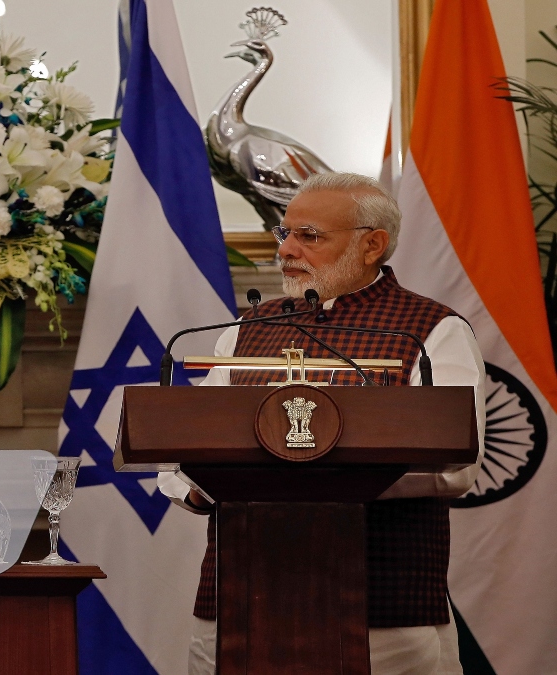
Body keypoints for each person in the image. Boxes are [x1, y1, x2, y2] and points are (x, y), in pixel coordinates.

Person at [158, 172, 486, 675]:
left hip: (384, 610)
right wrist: (195, 487)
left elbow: (457, 465)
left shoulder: (431, 331)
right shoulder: (249, 329)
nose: (287, 249)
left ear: (373, 244)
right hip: (243, 600)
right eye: (283, 233)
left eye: (309, 236)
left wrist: (328, 477)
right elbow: (194, 442)